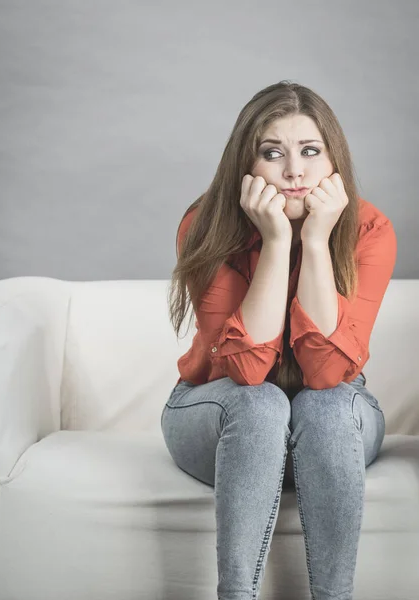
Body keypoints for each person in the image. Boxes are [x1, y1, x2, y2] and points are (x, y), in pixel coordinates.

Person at [161, 80, 397, 600]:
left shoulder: (369, 230)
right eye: (274, 153)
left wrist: (315, 241)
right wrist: (275, 241)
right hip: (221, 418)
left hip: (329, 427)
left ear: (332, 159)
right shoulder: (205, 224)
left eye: (311, 151)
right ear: (246, 163)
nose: (294, 171)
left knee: (329, 404)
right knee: (263, 403)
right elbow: (246, 374)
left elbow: (327, 373)